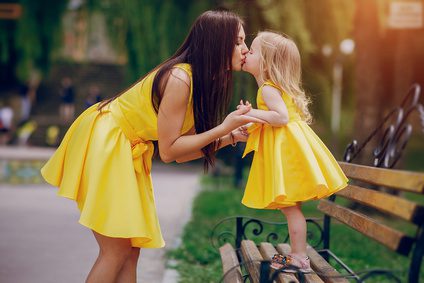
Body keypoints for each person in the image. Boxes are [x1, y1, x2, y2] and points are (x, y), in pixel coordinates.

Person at [41, 10, 262, 283]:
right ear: (218, 43)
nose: (245, 49)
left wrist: (229, 137)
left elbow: (181, 153)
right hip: (108, 137)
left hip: (126, 145)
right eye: (239, 41)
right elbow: (169, 151)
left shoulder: (200, 80)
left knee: (130, 250)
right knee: (116, 250)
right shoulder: (181, 79)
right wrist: (223, 128)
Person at [240, 31, 348, 272]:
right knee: (290, 208)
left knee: (290, 208)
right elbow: (276, 117)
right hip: (290, 148)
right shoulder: (272, 88)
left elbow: (280, 117)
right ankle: (298, 255)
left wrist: (251, 114)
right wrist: (254, 121)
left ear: (267, 62)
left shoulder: (268, 88)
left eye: (253, 51)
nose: (246, 52)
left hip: (287, 152)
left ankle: (299, 257)